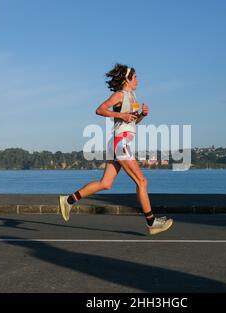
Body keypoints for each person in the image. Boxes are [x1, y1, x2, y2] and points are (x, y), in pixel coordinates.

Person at [58, 63, 173, 235]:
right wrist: (121, 114)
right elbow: (100, 110)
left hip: (118, 142)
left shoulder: (132, 97)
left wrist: (141, 115)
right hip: (120, 143)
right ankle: (152, 222)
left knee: (105, 183)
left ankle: (68, 200)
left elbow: (130, 123)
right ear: (127, 79)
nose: (138, 80)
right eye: (135, 77)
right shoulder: (119, 95)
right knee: (142, 182)